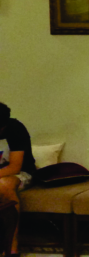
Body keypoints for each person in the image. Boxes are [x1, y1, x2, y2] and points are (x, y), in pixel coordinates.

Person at [0, 103, 35, 256]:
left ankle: (12, 246)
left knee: (4, 185)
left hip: (21, 173)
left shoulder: (15, 129)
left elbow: (14, 167)